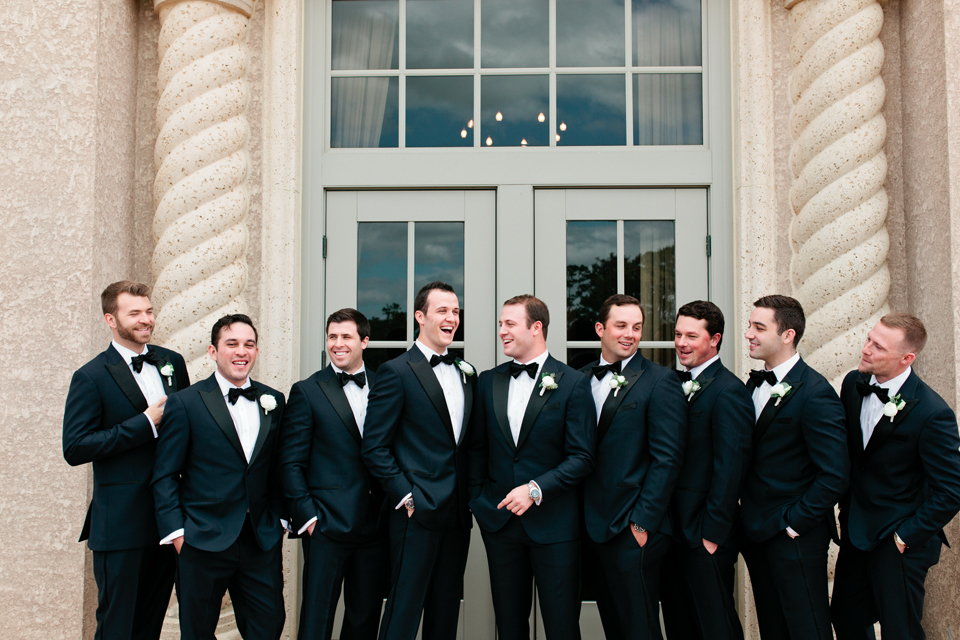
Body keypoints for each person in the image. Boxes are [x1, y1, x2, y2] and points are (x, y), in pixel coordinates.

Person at [63, 281, 189, 640]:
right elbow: (75, 447)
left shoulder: (172, 362)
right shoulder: (90, 376)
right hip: (119, 525)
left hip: (167, 521)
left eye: (148, 311)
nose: (145, 319)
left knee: (151, 626)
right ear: (110, 319)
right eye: (134, 313)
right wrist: (144, 423)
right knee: (118, 628)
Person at [152, 314, 287, 640]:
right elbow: (165, 474)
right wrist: (179, 534)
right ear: (213, 352)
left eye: (249, 344)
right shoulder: (185, 403)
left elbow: (280, 466)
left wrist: (280, 520)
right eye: (232, 344)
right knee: (197, 633)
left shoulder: (275, 400)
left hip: (259, 540)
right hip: (201, 539)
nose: (241, 352)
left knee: (268, 628)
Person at [468, 295, 595, 640]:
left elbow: (582, 457)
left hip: (555, 527)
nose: (502, 332)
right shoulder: (487, 382)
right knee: (509, 627)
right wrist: (479, 502)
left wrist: (536, 489)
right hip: (501, 526)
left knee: (562, 626)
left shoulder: (572, 383)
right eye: (500, 324)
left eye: (509, 324)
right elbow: (477, 449)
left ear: (536, 327)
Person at [831, 313, 960, 640]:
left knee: (899, 630)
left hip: (899, 540)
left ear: (907, 358)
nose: (866, 349)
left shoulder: (933, 413)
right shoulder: (852, 385)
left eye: (878, 346)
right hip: (856, 530)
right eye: (869, 339)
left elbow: (952, 490)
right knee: (845, 619)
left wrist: (905, 536)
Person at [361, 281, 476, 640]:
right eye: (442, 310)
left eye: (455, 311)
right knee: (404, 611)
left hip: (457, 514)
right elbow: (374, 447)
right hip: (416, 512)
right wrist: (407, 496)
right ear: (420, 316)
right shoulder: (396, 371)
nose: (451, 318)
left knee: (444, 613)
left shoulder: (465, 372)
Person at [740, 294, 849, 640]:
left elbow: (834, 473)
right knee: (774, 628)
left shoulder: (815, 392)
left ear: (787, 335)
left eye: (759, 327)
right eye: (749, 325)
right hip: (757, 532)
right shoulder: (753, 385)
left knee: (808, 629)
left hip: (795, 537)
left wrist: (794, 524)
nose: (749, 334)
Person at [581, 294, 687, 640]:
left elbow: (667, 458)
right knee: (613, 623)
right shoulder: (579, 380)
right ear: (600, 329)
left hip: (634, 526)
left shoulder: (660, 381)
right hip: (590, 526)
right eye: (621, 325)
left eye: (637, 327)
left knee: (639, 627)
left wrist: (642, 522)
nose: (630, 334)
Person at [278, 308, 388, 640]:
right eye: (332, 337)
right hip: (326, 524)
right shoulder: (307, 391)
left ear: (365, 342)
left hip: (376, 523)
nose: (337, 344)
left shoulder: (387, 384)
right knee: (317, 615)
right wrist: (308, 518)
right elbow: (290, 462)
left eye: (346, 337)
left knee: (365, 615)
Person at [659, 300, 753, 640]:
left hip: (705, 533)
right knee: (679, 623)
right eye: (678, 334)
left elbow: (731, 468)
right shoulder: (670, 383)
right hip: (672, 530)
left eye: (691, 336)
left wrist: (712, 534)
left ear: (714, 339)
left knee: (715, 626)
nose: (682, 343)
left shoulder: (729, 392)